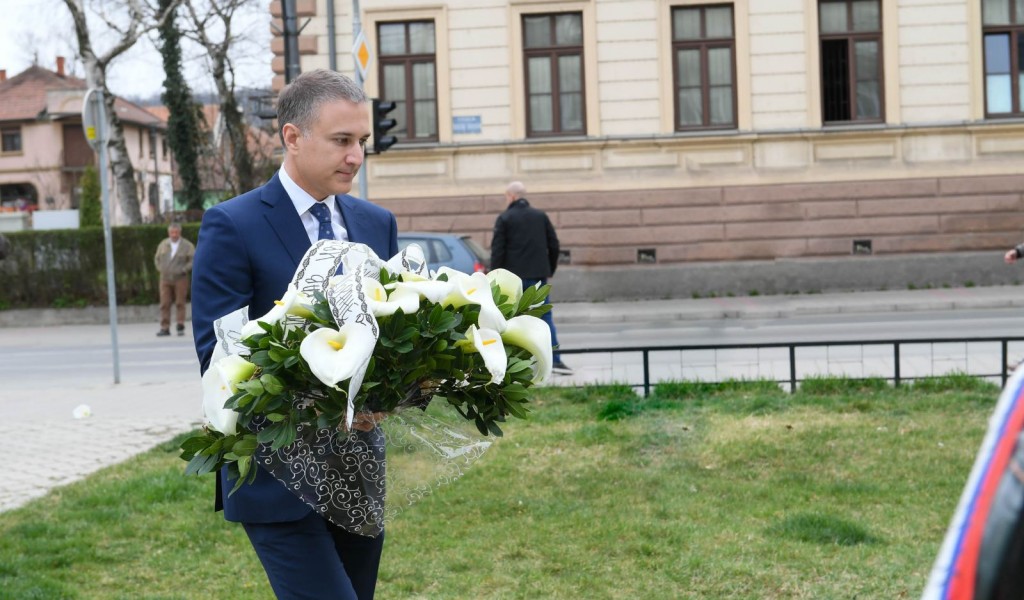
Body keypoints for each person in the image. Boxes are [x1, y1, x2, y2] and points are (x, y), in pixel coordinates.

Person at [190, 69, 398, 600]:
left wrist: (396, 392)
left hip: (356, 471)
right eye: (342, 140)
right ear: (292, 137)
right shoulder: (232, 224)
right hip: (274, 475)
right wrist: (327, 405)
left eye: (362, 141)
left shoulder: (377, 224)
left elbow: (393, 336)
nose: (356, 156)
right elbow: (221, 358)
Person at [490, 180, 572, 374]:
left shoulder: (505, 218)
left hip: (513, 281)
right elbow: (554, 245)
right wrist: (549, 269)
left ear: (511, 196)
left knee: (512, 320)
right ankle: (554, 360)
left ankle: (516, 366)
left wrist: (494, 277)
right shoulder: (540, 216)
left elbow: (498, 251)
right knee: (544, 317)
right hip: (538, 276)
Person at [153, 223, 194, 337]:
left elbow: (192, 260)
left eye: (176, 232)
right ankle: (165, 327)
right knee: (164, 303)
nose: (174, 235)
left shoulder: (187, 245)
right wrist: (161, 269)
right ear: (169, 233)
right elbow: (157, 258)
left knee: (180, 302)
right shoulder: (163, 244)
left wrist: (184, 269)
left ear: (180, 233)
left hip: (180, 278)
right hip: (165, 279)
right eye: (172, 232)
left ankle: (180, 325)